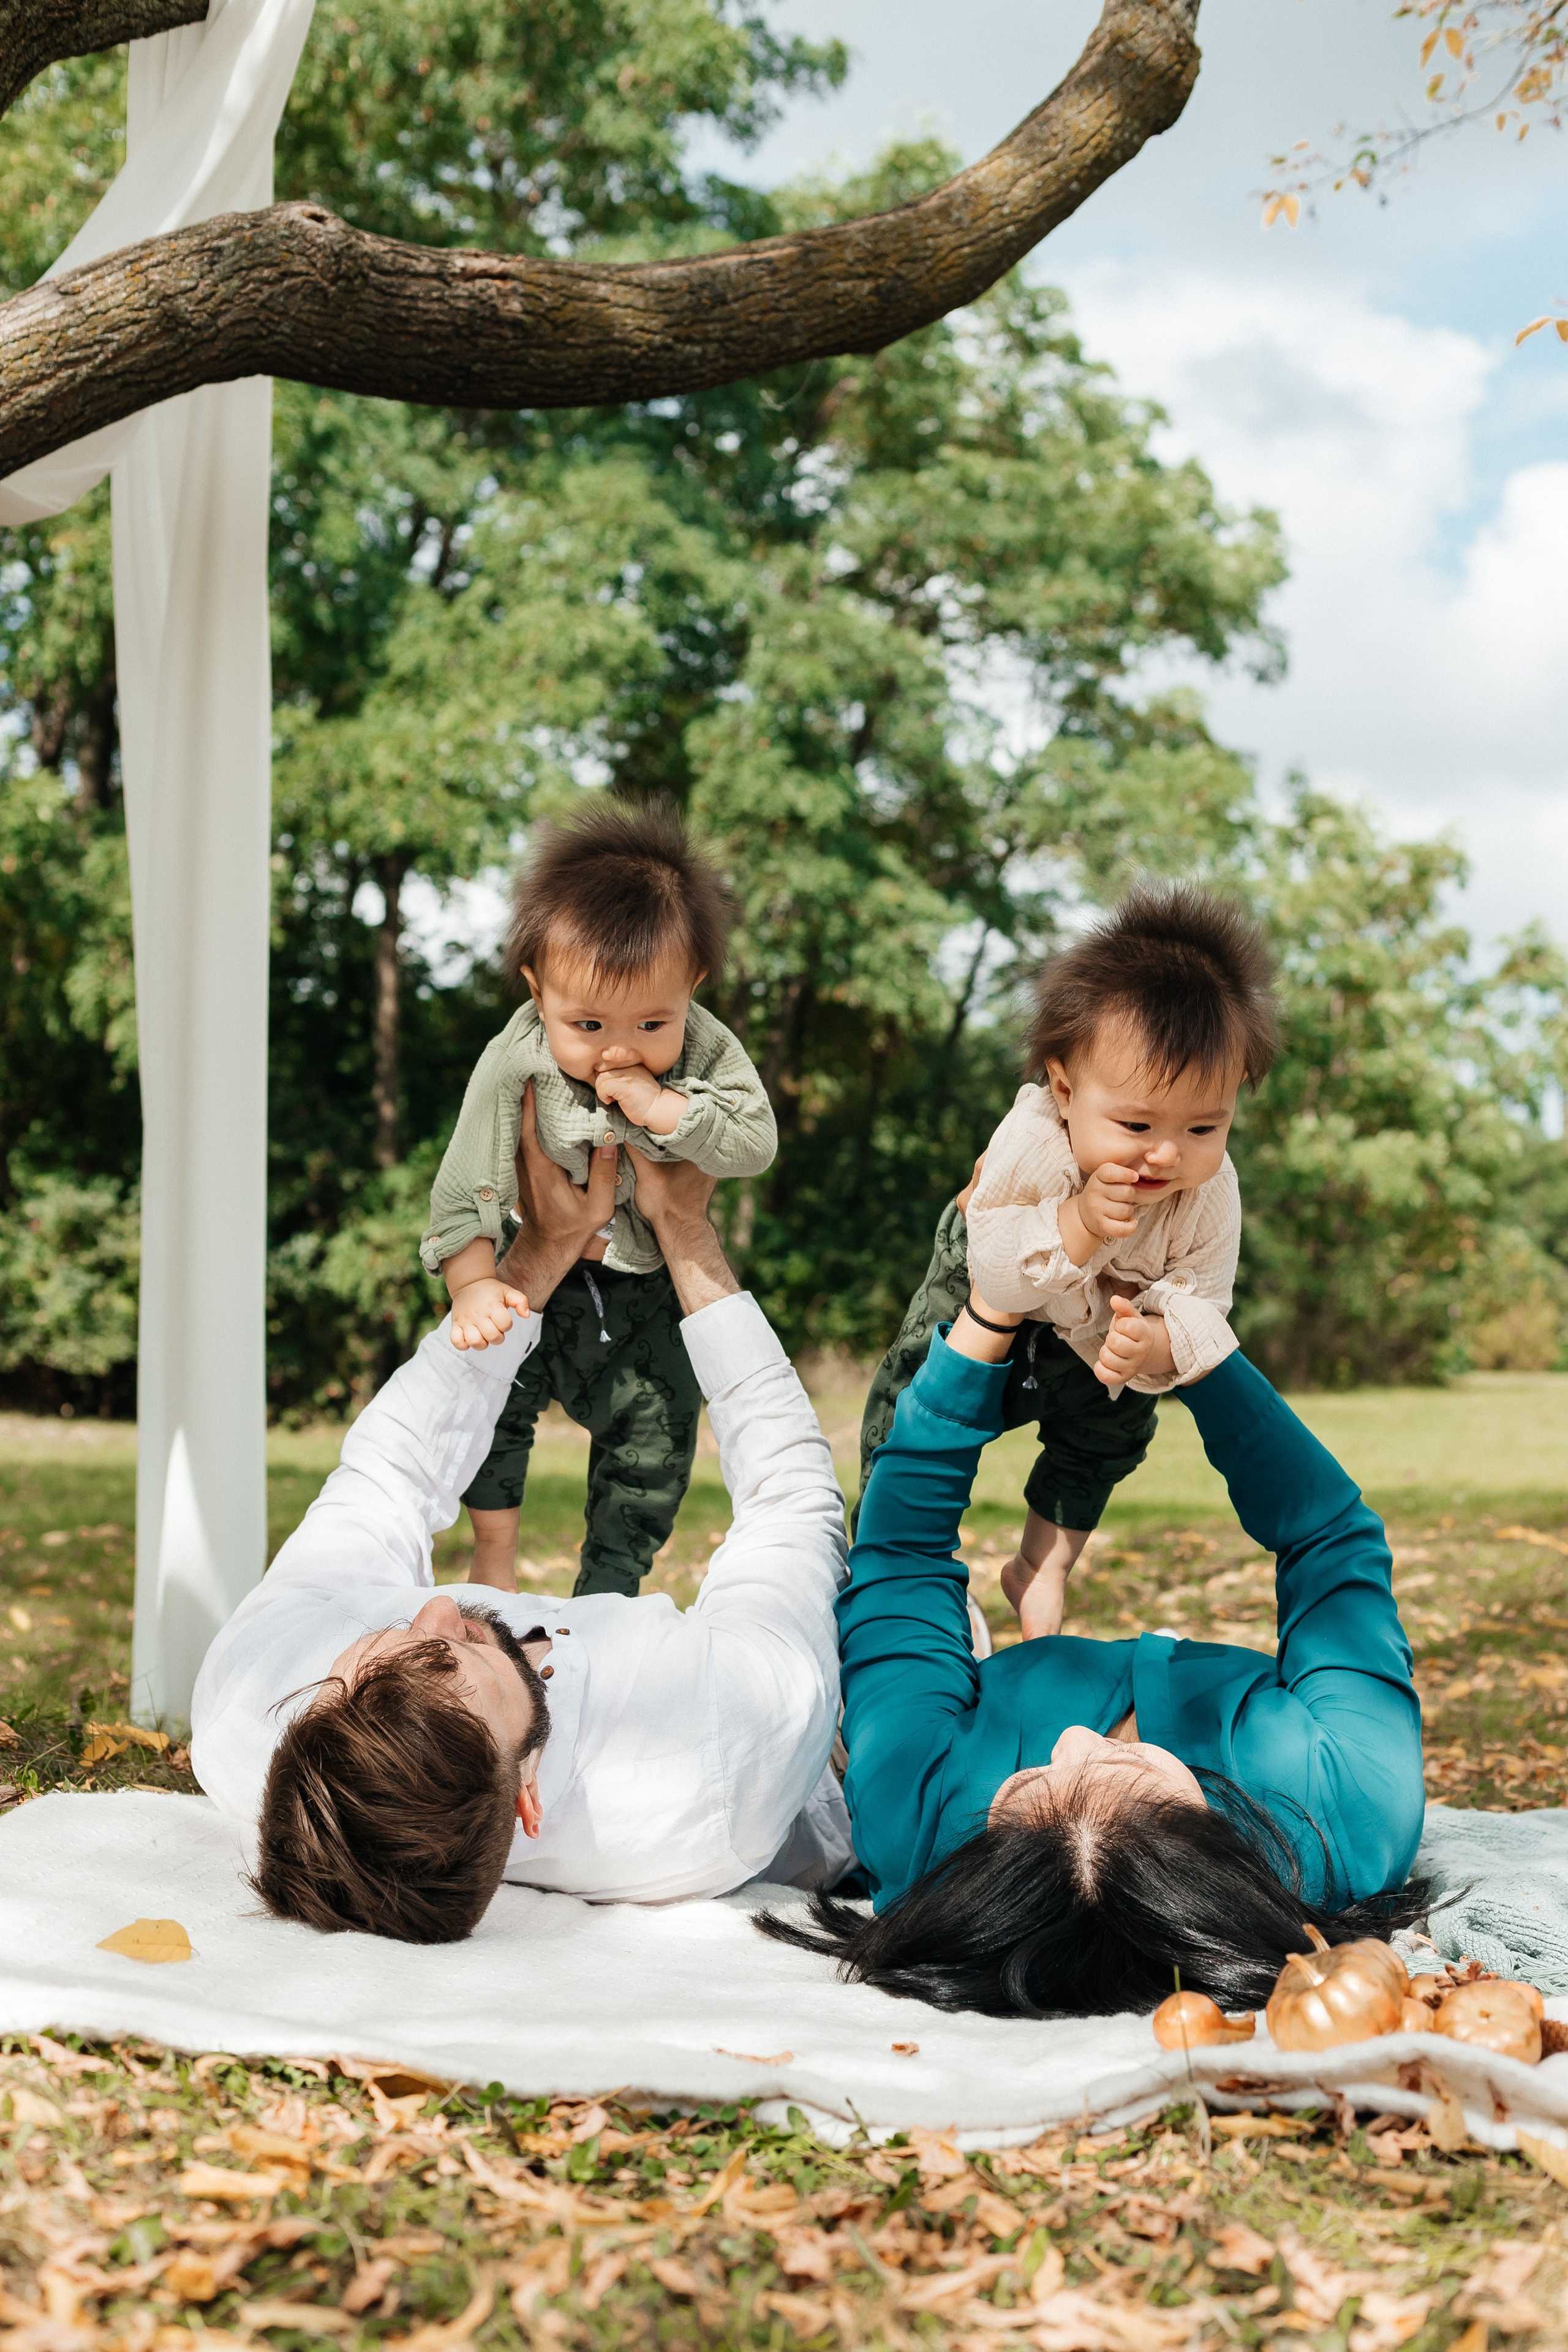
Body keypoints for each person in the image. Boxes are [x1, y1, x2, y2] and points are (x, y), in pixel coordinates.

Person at [189, 1090, 851, 1942]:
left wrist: (538, 1255)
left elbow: (388, 1470)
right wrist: (688, 1234)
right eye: (465, 1654)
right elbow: (792, 1504)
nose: (438, 1607)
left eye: (358, 1663)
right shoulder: (720, 1746)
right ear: (525, 1799)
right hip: (821, 1751)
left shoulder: (251, 1704)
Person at [759, 1276, 1427, 2018]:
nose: (1074, 1741)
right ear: (1205, 1846)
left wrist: (989, 1317)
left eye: (1025, 1788)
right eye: (1126, 1769)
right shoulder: (1352, 1815)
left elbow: (902, 1556)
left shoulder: (915, 1823)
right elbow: (1328, 1538)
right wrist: (1199, 1361)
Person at [856, 883, 1278, 1640]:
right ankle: (888, 1552)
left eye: (1203, 1126)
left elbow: (1201, 1304)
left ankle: (1041, 1566)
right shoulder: (1033, 1143)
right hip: (997, 1272)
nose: (1165, 1153)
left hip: (1097, 1325)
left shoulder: (1210, 1191)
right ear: (1063, 1088)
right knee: (916, 1397)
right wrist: (1079, 1225)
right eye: (1136, 1123)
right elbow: (999, 1281)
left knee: (1112, 1428)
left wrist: (1153, 1345)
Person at [421, 799, 777, 1597]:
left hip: (647, 1286)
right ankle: (494, 1557)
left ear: (693, 984)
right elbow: (463, 1178)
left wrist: (668, 1109)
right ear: (535, 990)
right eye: (586, 1024)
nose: (619, 1049)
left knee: (656, 1436)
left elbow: (755, 1141)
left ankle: (609, 1586)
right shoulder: (514, 1054)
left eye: (652, 1021)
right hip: (536, 1276)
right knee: (491, 1403)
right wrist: (473, 1284)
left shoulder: (709, 1048)